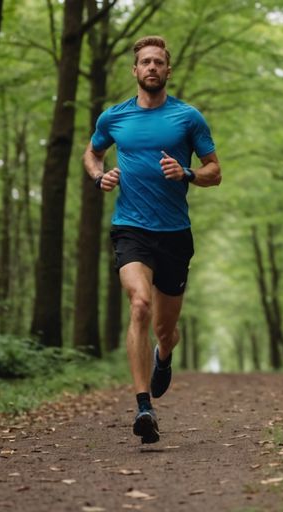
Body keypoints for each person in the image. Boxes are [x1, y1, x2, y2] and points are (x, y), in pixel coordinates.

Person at [83, 35, 221, 444]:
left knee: (165, 329)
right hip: (131, 227)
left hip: (175, 234)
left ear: (167, 70)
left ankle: (164, 356)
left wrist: (188, 173)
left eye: (158, 62)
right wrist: (98, 176)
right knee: (139, 304)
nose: (151, 68)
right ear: (135, 70)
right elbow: (92, 153)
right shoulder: (114, 117)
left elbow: (215, 170)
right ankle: (144, 406)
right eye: (145, 62)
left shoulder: (188, 118)